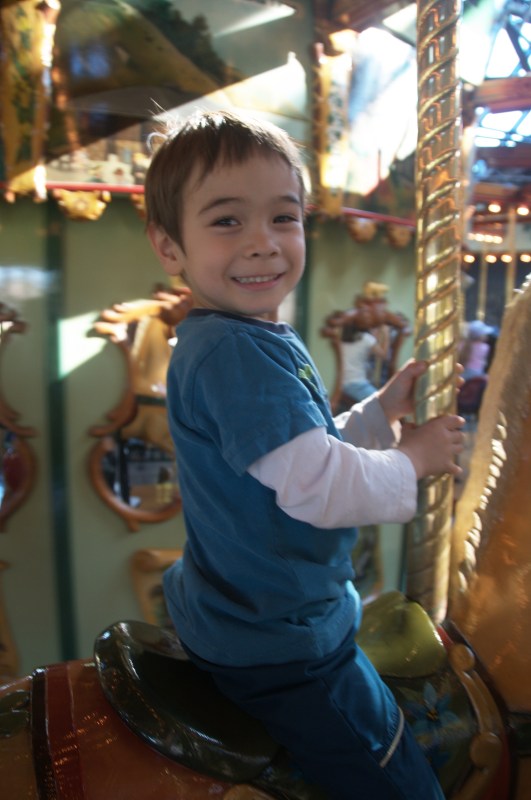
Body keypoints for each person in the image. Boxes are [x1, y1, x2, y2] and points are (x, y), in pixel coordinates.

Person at [144, 109, 464, 800]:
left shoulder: (239, 337)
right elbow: (316, 487)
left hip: (242, 612)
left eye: (282, 218)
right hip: (285, 646)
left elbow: (298, 455)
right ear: (169, 248)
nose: (262, 243)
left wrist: (378, 416)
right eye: (227, 221)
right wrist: (412, 459)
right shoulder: (234, 351)